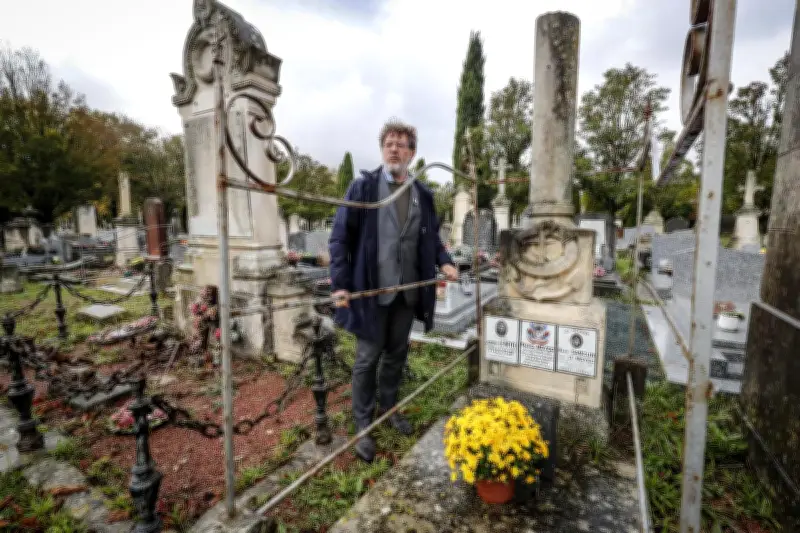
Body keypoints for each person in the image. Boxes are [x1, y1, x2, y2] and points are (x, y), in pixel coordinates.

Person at [328, 119, 459, 462]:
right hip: (372, 291)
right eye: (389, 143)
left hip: (407, 292)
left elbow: (430, 237)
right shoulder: (363, 188)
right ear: (382, 148)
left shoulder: (423, 194)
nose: (395, 148)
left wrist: (444, 261)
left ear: (412, 153)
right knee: (367, 358)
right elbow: (340, 237)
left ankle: (388, 408)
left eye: (402, 144)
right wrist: (340, 284)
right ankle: (363, 425)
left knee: (397, 353)